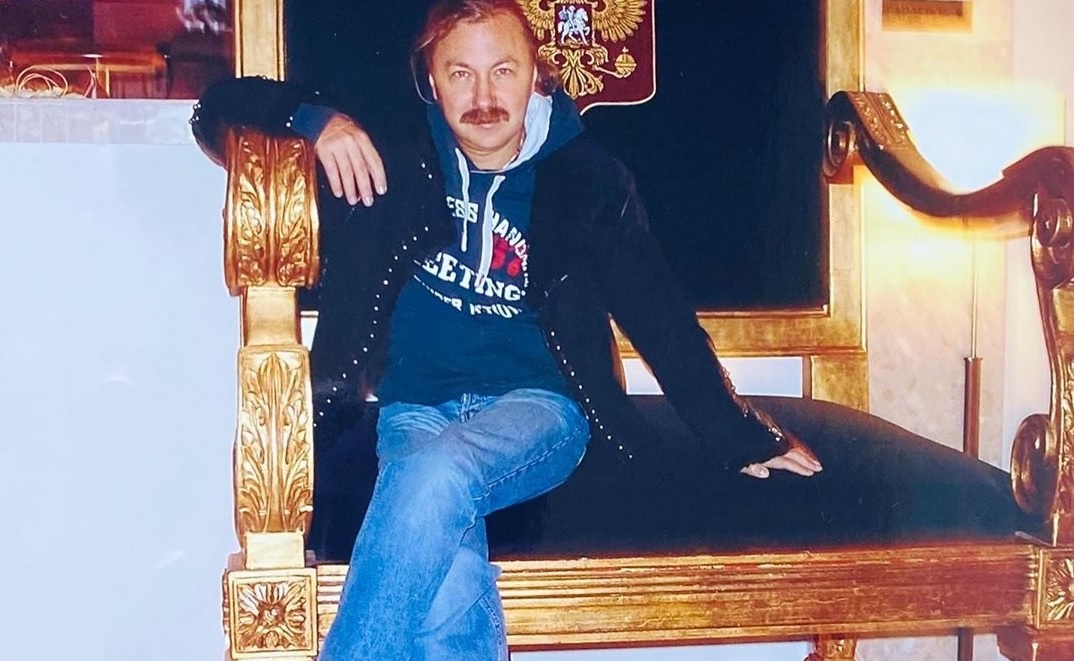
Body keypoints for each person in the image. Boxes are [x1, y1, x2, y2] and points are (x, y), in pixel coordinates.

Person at [192, 1, 822, 658]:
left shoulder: (589, 182)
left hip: (540, 409)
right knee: (445, 573)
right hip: (414, 407)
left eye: (503, 71)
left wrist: (740, 432)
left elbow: (661, 318)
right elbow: (215, 111)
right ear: (431, 82)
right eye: (460, 73)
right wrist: (317, 121)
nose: (484, 96)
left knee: (435, 477)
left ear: (535, 78)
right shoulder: (393, 154)